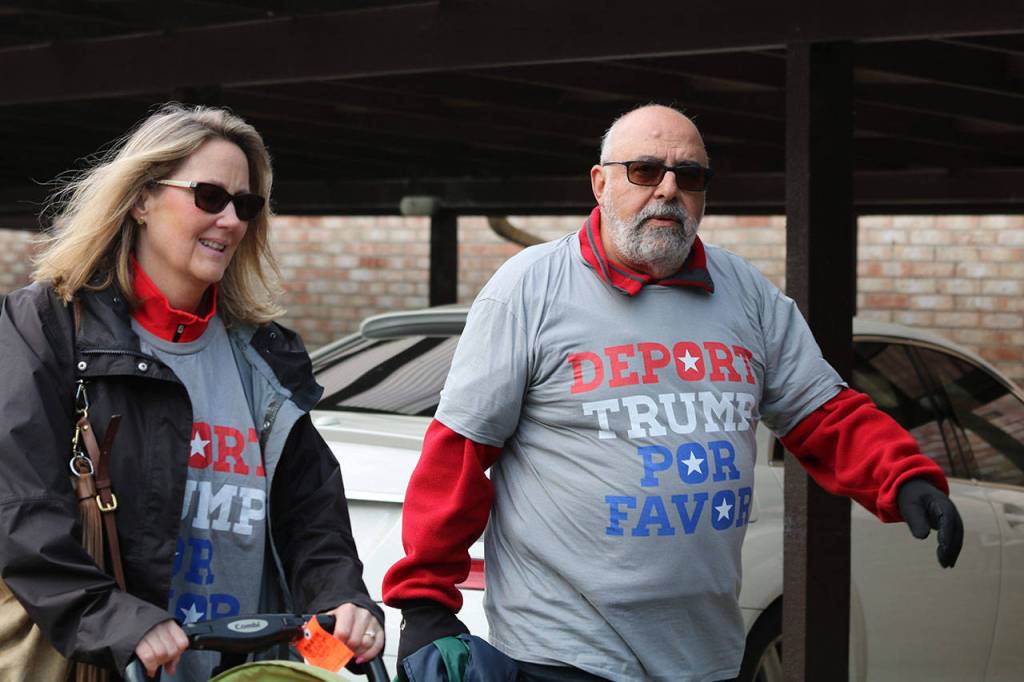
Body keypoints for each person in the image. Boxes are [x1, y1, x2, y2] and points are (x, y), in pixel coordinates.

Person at [382, 104, 964, 682]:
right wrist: (425, 602)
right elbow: (459, 451)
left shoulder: (746, 294)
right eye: (643, 170)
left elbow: (821, 412)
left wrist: (902, 475)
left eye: (689, 176)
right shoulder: (531, 287)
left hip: (704, 653)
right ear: (600, 181)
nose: (667, 189)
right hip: (563, 650)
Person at [0, 103, 384, 680]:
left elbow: (312, 517)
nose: (230, 220)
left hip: (245, 669)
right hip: (105, 665)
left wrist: (341, 598)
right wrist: (116, 621)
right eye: (208, 196)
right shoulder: (47, 327)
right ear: (141, 199)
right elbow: (19, 507)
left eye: (246, 204)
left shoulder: (265, 354)